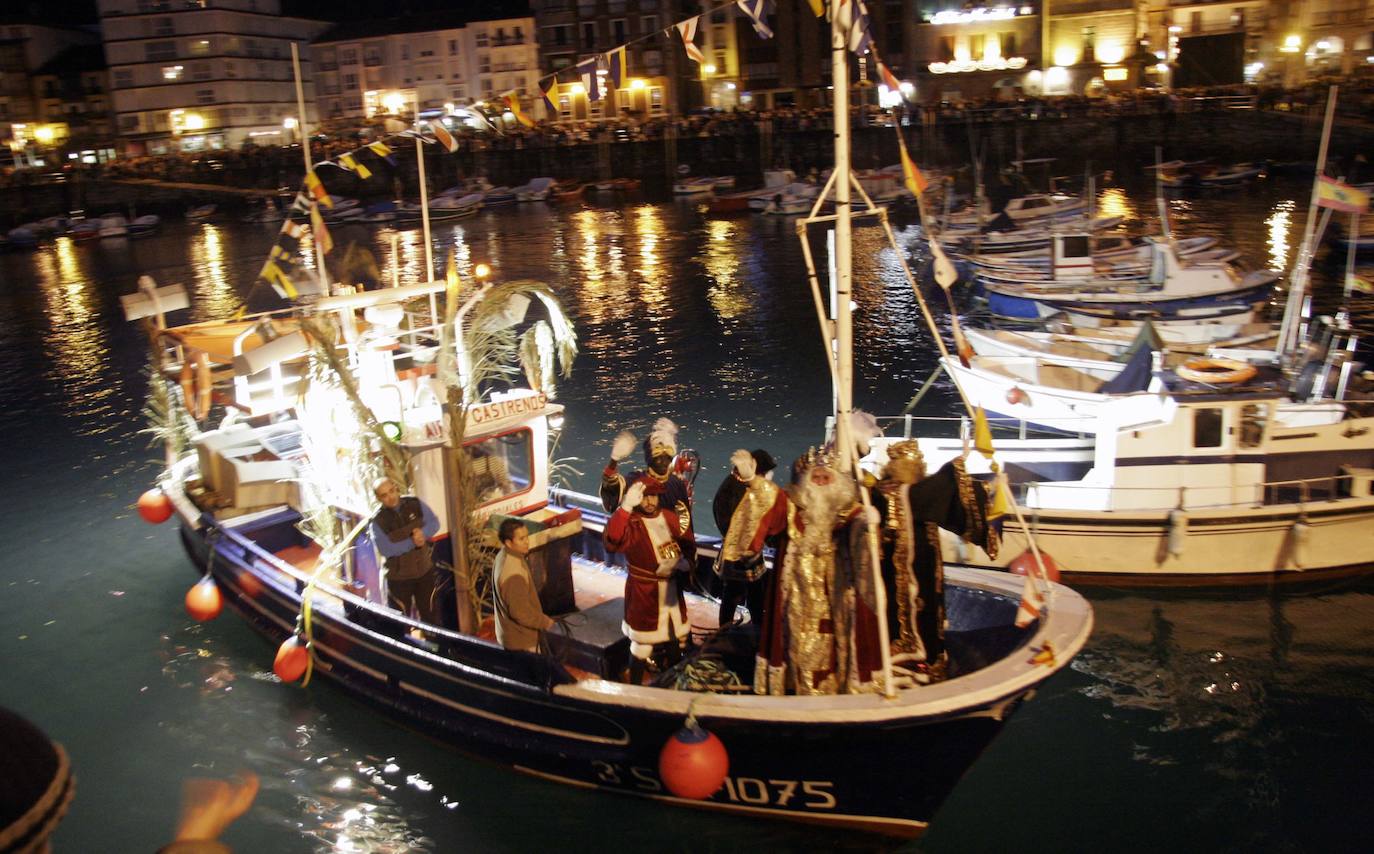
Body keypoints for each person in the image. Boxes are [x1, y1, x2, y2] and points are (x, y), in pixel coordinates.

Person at [869, 440, 1001, 683]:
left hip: (923, 560)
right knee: (898, 606)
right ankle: (905, 656)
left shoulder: (912, 491)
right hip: (893, 563)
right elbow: (936, 488)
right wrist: (956, 466)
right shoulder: (888, 491)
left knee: (928, 603)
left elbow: (935, 496)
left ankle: (928, 656)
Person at [604, 478, 697, 684]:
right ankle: (635, 685)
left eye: (653, 496)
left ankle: (673, 680)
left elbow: (688, 542)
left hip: (671, 589)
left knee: (674, 636)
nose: (649, 501)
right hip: (644, 592)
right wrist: (626, 506)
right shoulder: (632, 523)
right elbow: (612, 540)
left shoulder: (670, 517)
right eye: (644, 497)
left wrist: (687, 563)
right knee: (641, 644)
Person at [711, 448, 786, 627]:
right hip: (738, 554)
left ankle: (737, 627)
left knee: (746, 594)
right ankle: (737, 629)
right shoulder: (739, 489)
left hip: (744, 552)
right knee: (739, 594)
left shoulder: (736, 484)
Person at [599, 417, 693, 540]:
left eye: (667, 457)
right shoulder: (636, 481)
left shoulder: (676, 483)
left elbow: (685, 521)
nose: (663, 462)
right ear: (650, 459)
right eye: (659, 457)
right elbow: (612, 490)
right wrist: (614, 460)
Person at [370, 476, 441, 625]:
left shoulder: (414, 503)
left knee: (432, 618)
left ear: (396, 488)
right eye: (384, 495)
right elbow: (386, 550)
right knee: (399, 624)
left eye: (391, 491)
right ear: (378, 498)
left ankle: (435, 648)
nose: (390, 497)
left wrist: (424, 533)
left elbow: (434, 523)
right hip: (399, 580)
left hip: (424, 573)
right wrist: (413, 542)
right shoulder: (378, 521)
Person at [491, 518, 554, 652]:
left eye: (527, 536)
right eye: (521, 539)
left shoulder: (504, 555)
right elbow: (521, 612)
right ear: (509, 542)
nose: (527, 541)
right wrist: (545, 622)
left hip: (510, 635)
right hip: (522, 641)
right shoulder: (514, 573)